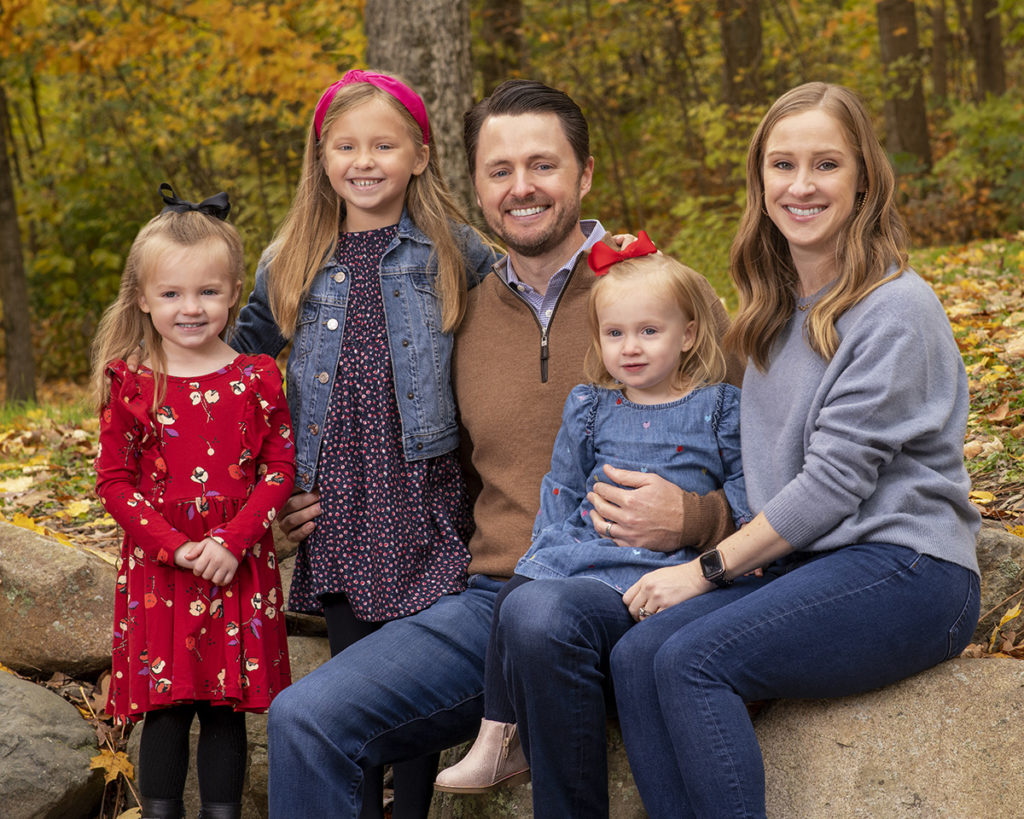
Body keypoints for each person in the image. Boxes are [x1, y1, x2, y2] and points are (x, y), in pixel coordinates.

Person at [267, 79, 743, 818]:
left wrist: (700, 519)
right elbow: (407, 451)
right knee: (306, 719)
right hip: (492, 601)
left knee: (546, 619)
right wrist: (295, 502)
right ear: (477, 187)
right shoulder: (458, 303)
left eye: (543, 165)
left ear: (584, 175)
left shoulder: (660, 299)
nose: (522, 188)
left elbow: (767, 462)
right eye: (500, 171)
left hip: (647, 592)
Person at [609, 81, 981, 818]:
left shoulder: (895, 307)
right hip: (818, 564)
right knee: (635, 656)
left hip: (912, 569)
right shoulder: (772, 317)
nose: (801, 185)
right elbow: (672, 328)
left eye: (826, 165)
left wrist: (705, 568)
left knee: (691, 658)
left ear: (864, 180)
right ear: (760, 181)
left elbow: (834, 484)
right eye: (782, 165)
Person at [228, 70, 498, 818]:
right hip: (335, 493)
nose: (364, 159)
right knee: (358, 683)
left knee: (413, 671)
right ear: (321, 158)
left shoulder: (455, 247)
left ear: (419, 153)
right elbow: (237, 364)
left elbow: (521, 311)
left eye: (384, 143)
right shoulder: (291, 256)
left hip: (423, 485)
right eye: (345, 145)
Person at [434, 234, 751, 794]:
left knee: (530, 603)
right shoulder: (591, 406)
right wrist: (543, 555)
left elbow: (748, 493)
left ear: (689, 335)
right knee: (516, 594)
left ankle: (502, 733)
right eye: (615, 333)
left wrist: (718, 552)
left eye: (650, 331)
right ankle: (497, 732)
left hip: (668, 570)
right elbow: (562, 487)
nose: (631, 347)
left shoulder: (719, 406)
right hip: (591, 557)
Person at [93, 186, 295, 819]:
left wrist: (232, 542)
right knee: (169, 707)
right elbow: (113, 482)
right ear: (144, 299)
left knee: (225, 706)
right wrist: (175, 545)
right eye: (172, 294)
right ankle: (159, 811)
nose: (191, 308)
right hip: (163, 570)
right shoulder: (132, 382)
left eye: (208, 292)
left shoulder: (256, 375)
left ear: (235, 290)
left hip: (236, 565)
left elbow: (280, 466)